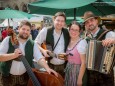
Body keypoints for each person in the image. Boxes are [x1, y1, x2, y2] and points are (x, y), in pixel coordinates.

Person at [0, 20, 57, 86]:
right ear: (19, 29)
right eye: (23, 29)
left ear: (30, 31)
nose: (25, 32)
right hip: (7, 77)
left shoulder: (33, 44)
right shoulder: (8, 40)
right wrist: (14, 55)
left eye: (28, 30)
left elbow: (39, 58)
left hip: (24, 77)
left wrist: (47, 68)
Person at [84, 11, 115, 86]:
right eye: (87, 22)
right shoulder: (87, 39)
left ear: (96, 21)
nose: (89, 23)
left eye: (91, 20)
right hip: (91, 75)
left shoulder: (108, 33)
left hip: (105, 75)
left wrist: (114, 40)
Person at [35, 12, 70, 77]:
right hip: (51, 65)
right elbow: (35, 43)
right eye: (58, 20)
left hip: (64, 66)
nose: (60, 23)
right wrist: (43, 50)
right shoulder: (46, 30)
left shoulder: (67, 32)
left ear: (64, 23)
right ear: (54, 20)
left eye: (62, 21)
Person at [63, 21, 87, 86]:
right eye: (72, 29)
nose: (74, 32)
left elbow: (83, 63)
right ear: (69, 29)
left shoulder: (81, 42)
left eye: (76, 30)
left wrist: (79, 79)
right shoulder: (69, 40)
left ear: (79, 31)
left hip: (77, 71)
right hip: (69, 69)